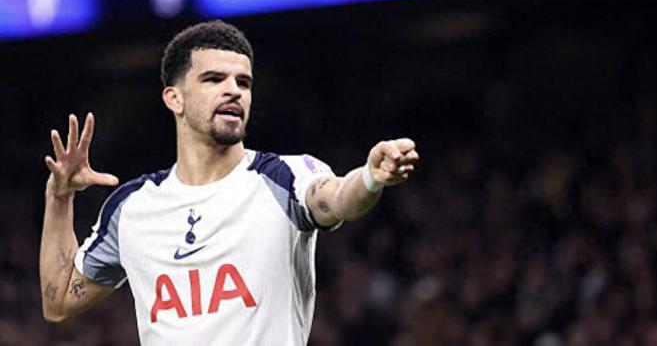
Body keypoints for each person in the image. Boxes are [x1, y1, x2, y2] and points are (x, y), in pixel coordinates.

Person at [39, 20, 419, 345]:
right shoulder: (132, 208)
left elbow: (337, 198)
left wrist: (369, 178)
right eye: (213, 79)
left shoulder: (283, 177)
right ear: (174, 99)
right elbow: (58, 303)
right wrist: (59, 197)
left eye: (244, 82)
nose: (234, 90)